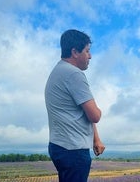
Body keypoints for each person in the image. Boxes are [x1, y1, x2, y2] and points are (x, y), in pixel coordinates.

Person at [45, 29, 105, 182]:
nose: (90, 56)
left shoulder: (58, 71)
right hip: (73, 150)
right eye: (87, 51)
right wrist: (99, 109)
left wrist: (95, 139)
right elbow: (94, 115)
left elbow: (83, 112)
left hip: (60, 146)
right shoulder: (74, 74)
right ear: (75, 52)